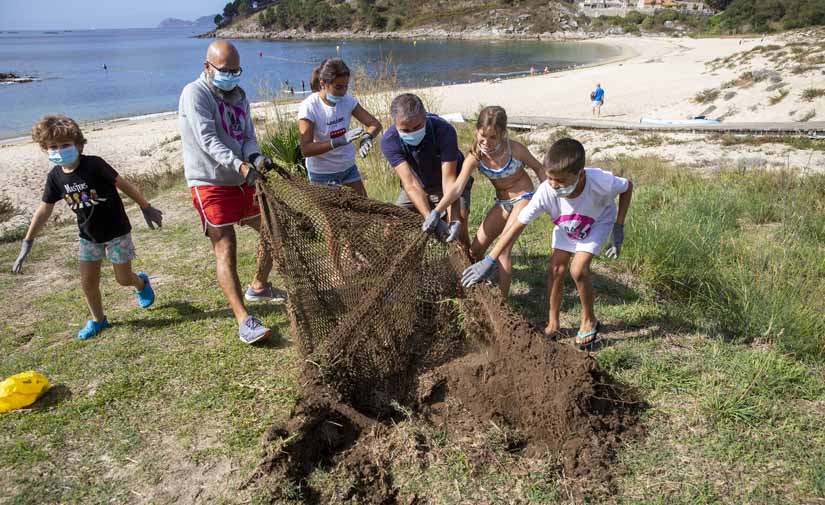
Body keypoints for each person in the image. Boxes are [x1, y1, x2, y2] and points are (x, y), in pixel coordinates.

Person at [462, 138, 633, 349]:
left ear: (580, 174)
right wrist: (489, 259)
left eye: (560, 180)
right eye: (550, 177)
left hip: (596, 221)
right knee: (555, 269)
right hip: (567, 223)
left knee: (578, 270)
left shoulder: (600, 181)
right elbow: (517, 225)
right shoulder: (546, 191)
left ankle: (589, 319)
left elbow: (627, 188)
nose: (553, 184)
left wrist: (619, 226)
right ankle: (553, 322)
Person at [11, 115, 162, 340]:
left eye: (65, 145)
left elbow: (123, 184)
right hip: (88, 237)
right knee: (88, 283)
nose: (59, 151)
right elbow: (44, 210)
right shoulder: (54, 177)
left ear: (79, 145)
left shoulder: (95, 164)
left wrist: (145, 206)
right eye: (53, 147)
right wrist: (27, 241)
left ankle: (140, 282)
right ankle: (98, 320)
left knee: (122, 279)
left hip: (117, 232)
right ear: (45, 149)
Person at [178, 40, 285, 345]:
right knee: (226, 246)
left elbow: (247, 135)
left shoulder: (238, 95)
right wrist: (240, 166)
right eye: (224, 70)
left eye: (235, 70)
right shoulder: (194, 93)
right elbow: (207, 139)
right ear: (207, 67)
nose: (230, 75)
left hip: (242, 178)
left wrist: (256, 158)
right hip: (209, 182)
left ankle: (260, 286)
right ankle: (244, 319)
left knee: (272, 230)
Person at [422, 106, 545, 297]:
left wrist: (549, 196)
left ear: (503, 134)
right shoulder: (474, 156)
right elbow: (456, 188)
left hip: (524, 198)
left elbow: (539, 168)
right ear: (476, 131)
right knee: (474, 251)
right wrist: (437, 211)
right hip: (502, 203)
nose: (486, 142)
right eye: (482, 136)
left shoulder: (515, 149)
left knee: (503, 251)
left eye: (493, 137)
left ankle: (503, 305)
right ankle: (476, 287)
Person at [380, 93, 471, 245]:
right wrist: (430, 217)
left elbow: (449, 180)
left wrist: (453, 216)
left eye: (416, 127)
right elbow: (410, 184)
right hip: (418, 183)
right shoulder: (389, 141)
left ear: (425, 117)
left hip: (450, 180)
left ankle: (469, 258)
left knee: (459, 220)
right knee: (392, 225)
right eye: (405, 130)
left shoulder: (443, 130)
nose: (411, 132)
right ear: (395, 124)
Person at [298, 58, 382, 195]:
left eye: (346, 86)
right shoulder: (309, 107)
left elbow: (375, 124)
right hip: (323, 173)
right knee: (333, 216)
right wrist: (337, 142)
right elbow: (306, 149)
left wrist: (367, 137)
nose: (343, 91)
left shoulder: (347, 100)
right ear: (323, 84)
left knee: (365, 210)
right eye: (338, 87)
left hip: (348, 168)